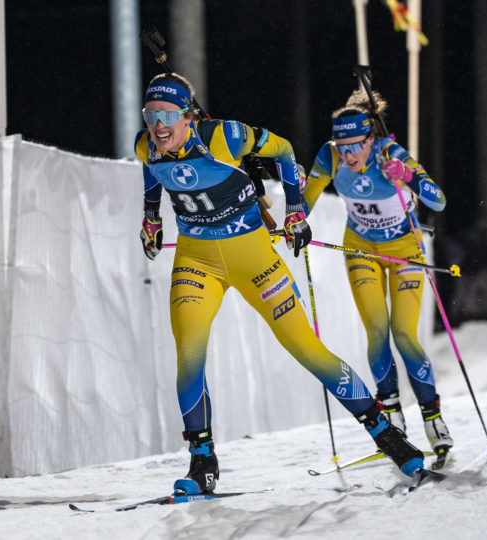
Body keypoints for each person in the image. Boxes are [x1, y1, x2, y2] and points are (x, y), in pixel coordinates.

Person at [134, 72, 425, 495]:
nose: (158, 127)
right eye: (150, 116)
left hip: (255, 261)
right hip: (196, 263)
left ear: (187, 115)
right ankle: (202, 463)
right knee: (188, 357)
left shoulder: (225, 136)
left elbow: (285, 150)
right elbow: (150, 174)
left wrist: (294, 211)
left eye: (166, 116)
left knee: (307, 349)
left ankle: (388, 437)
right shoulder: (146, 146)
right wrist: (150, 218)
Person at [302, 89, 453, 464]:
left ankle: (432, 417)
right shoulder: (330, 156)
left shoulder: (390, 153)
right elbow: (305, 202)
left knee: (404, 334)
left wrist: (408, 176)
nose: (349, 155)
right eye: (342, 147)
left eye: (356, 146)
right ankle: (392, 414)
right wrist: (292, 218)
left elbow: (438, 200)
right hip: (361, 249)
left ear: (371, 139)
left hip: (404, 250)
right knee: (376, 330)